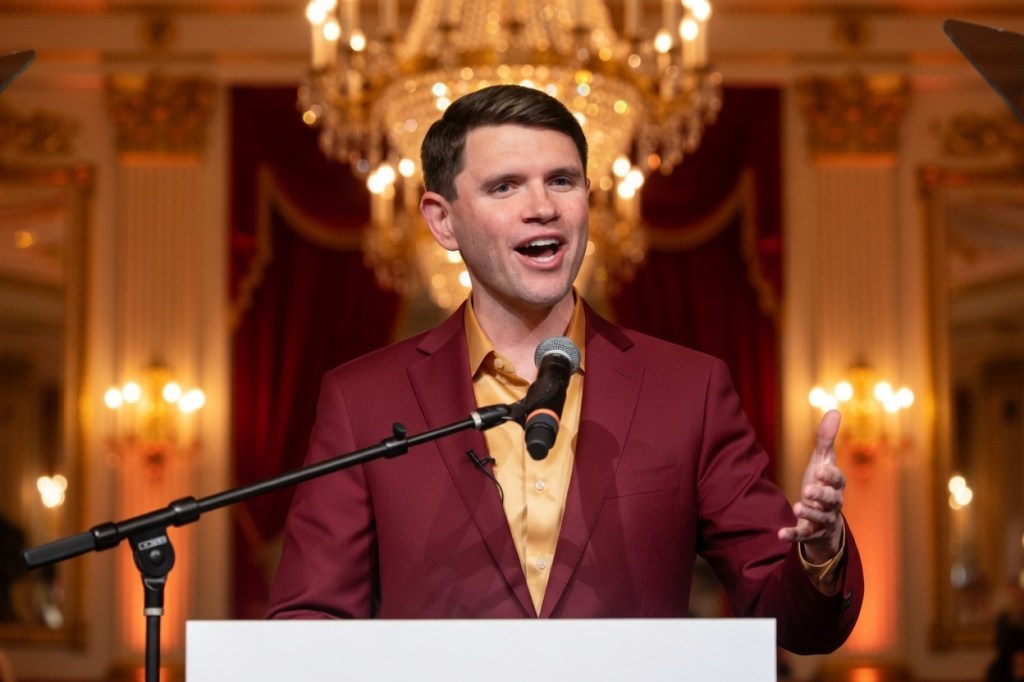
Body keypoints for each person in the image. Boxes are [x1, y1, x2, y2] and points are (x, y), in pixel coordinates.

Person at [266, 84, 863, 654]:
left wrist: (821, 550)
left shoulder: (690, 389)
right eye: (505, 187)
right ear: (442, 220)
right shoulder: (362, 399)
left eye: (562, 181)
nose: (543, 208)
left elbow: (792, 618)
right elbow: (310, 621)